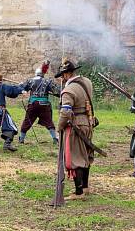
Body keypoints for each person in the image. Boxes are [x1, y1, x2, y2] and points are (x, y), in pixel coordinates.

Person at [56, 59, 96, 200]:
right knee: (85, 155)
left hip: (76, 125)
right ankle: (85, 187)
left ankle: (79, 193)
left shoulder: (68, 90)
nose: (62, 78)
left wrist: (59, 126)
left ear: (67, 74)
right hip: (88, 122)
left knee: (76, 157)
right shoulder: (87, 82)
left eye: (62, 75)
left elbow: (66, 112)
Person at [18, 61, 61, 145]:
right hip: (44, 105)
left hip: (33, 104)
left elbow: (23, 89)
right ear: (42, 74)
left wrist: (21, 85)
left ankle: (21, 139)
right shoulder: (47, 81)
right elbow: (56, 91)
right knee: (49, 121)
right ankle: (54, 138)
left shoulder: (30, 81)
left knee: (27, 121)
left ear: (36, 74)